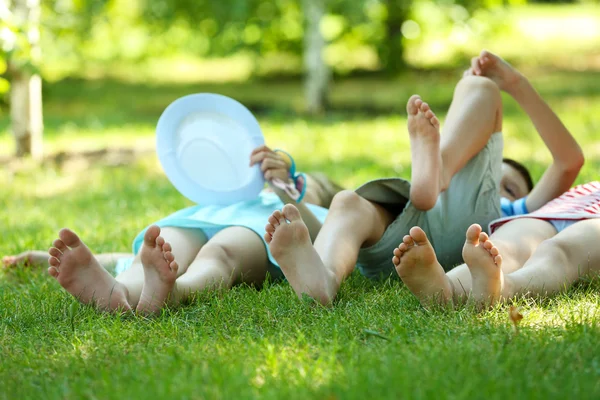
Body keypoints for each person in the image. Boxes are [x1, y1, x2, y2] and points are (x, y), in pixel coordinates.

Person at [264, 50, 584, 306]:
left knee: (480, 88)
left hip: (472, 231)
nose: (497, 185)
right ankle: (322, 278)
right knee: (348, 203)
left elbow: (569, 161)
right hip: (405, 242)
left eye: (509, 187)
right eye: (490, 174)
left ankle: (440, 172)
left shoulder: (518, 216)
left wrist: (516, 83)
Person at [46, 145, 343, 315]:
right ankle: (119, 290)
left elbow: (321, 240)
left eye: (307, 186)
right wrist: (44, 257)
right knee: (162, 247)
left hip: (254, 230)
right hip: (204, 218)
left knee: (219, 255)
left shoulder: (305, 217)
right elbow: (122, 254)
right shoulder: (235, 198)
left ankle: (176, 292)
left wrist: (289, 194)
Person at [392, 181, 600, 307]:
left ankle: (504, 288)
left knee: (557, 252)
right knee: (501, 250)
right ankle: (445, 289)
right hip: (554, 213)